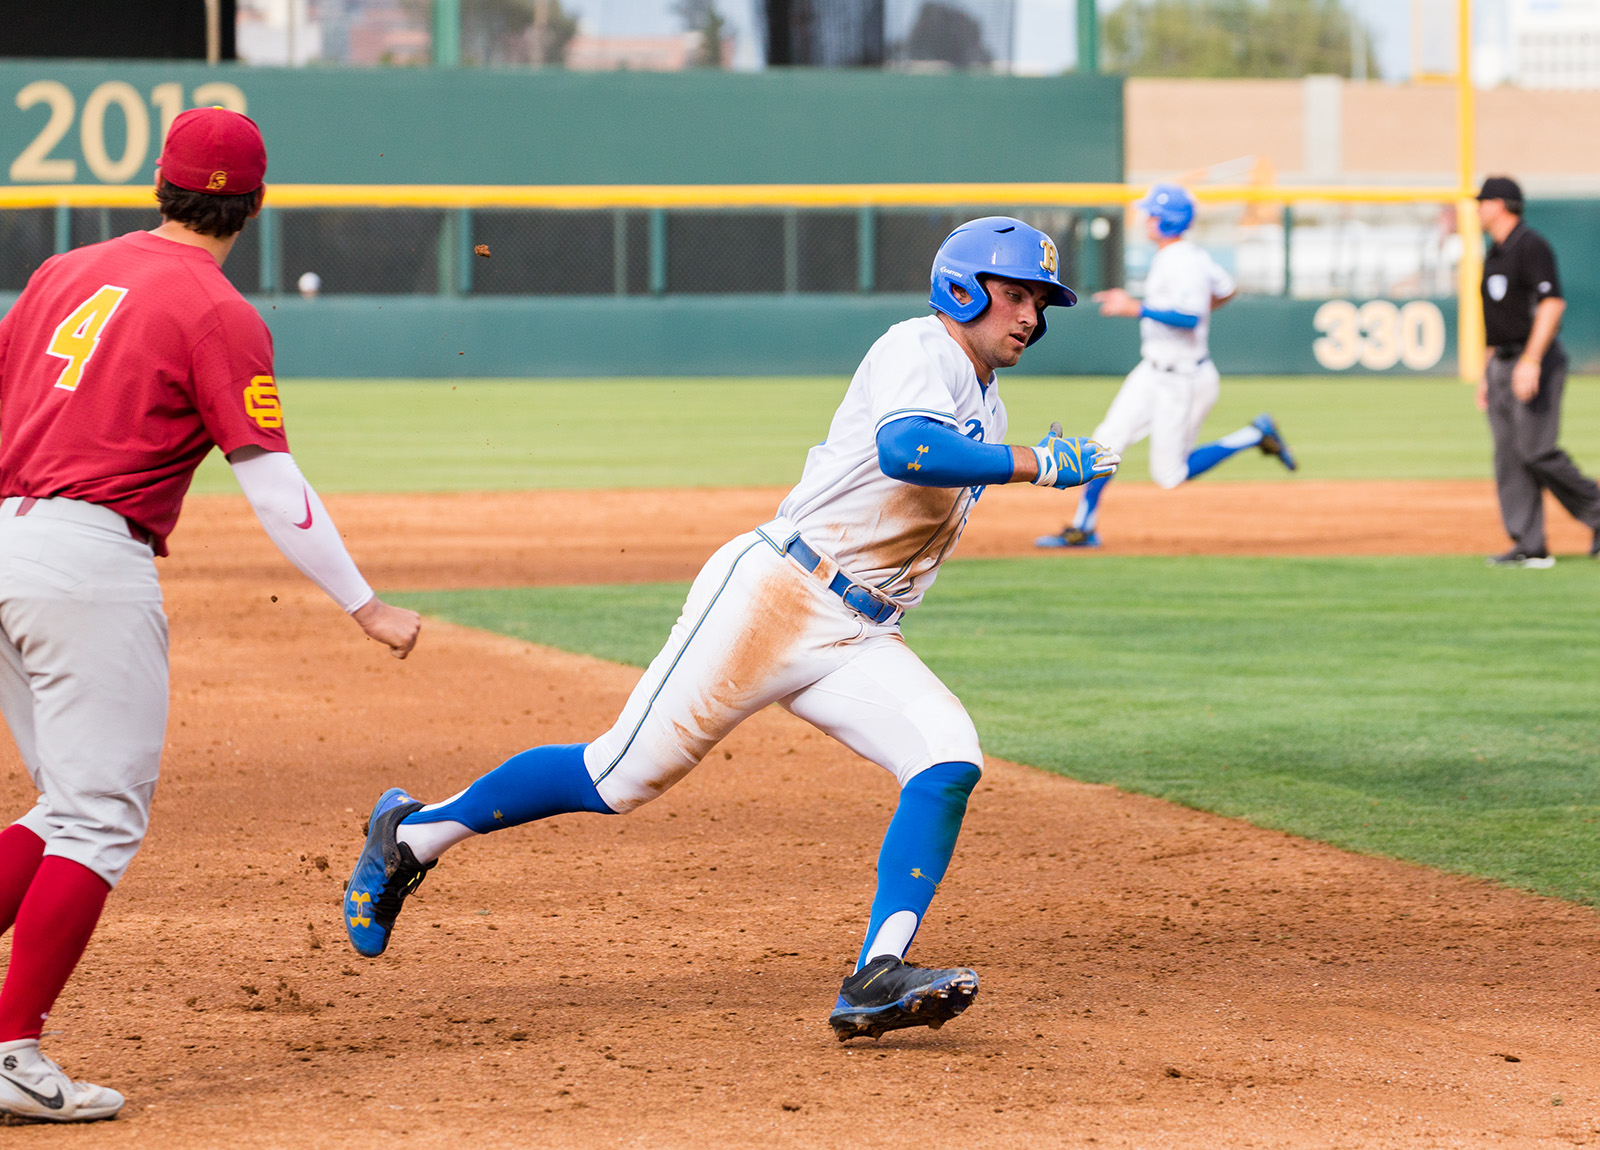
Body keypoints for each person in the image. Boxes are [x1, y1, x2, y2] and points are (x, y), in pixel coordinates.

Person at [343, 217, 1117, 1042]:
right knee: (618, 777)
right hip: (777, 596)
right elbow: (908, 452)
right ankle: (413, 835)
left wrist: (1021, 454)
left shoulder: (984, 398)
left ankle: (875, 975)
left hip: (858, 634)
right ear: (961, 288)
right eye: (1015, 294)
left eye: (1041, 300)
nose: (1030, 315)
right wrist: (1036, 463)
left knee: (947, 755)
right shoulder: (919, 350)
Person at [0, 107, 421, 1122]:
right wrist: (363, 604)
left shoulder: (64, 272)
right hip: (83, 561)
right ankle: (13, 1054)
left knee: (64, 805)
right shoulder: (215, 307)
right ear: (256, 203)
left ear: (158, 184)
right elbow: (273, 486)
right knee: (98, 818)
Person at [1034, 183, 1295, 550]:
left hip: (1184, 378)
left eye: (1152, 214)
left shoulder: (1181, 261)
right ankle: (1083, 527)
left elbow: (1189, 317)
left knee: (1170, 475)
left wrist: (1135, 307)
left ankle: (1254, 434)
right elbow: (1226, 289)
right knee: (1105, 444)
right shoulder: (1185, 255)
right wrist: (1203, 307)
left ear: (1167, 221)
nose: (1146, 218)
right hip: (1152, 371)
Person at [1474, 175, 1600, 568]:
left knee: (1536, 450)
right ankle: (1528, 544)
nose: (1477, 208)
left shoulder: (1531, 246)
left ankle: (1597, 512)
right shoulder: (1494, 253)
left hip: (1535, 359)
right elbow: (1497, 320)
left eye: (1483, 201)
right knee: (1509, 456)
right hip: (1502, 362)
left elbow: (1552, 305)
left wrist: (1531, 360)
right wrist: (1486, 373)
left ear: (1502, 204)